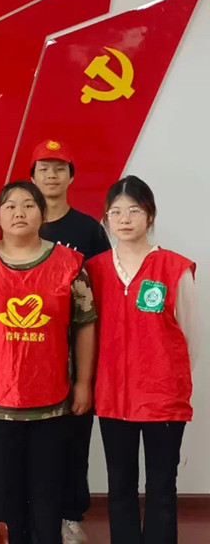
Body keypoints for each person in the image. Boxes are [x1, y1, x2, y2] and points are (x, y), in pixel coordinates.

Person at [0, 181, 96, 544]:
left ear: (43, 215)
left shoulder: (70, 264)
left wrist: (83, 383)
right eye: (10, 206)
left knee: (47, 497)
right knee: (1, 498)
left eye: (28, 205)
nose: (19, 213)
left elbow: (85, 325)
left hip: (52, 404)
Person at [87, 176, 197, 544]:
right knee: (120, 483)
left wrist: (169, 378)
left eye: (133, 210)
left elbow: (190, 337)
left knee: (162, 484)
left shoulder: (174, 267)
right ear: (106, 218)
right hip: (113, 395)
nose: (124, 219)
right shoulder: (95, 269)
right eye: (115, 212)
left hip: (162, 396)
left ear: (149, 215)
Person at [29, 138, 110, 544]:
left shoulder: (88, 229)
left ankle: (70, 516)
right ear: (32, 177)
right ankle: (33, 515)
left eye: (59, 168)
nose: (51, 175)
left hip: (76, 351)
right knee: (35, 445)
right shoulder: (23, 223)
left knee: (74, 440)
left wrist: (88, 374)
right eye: (44, 168)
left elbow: (103, 292)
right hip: (28, 348)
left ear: (71, 177)